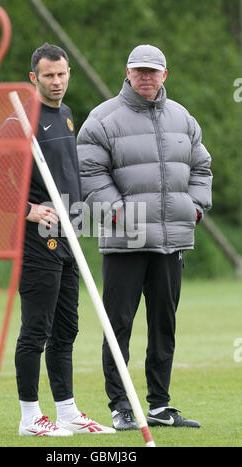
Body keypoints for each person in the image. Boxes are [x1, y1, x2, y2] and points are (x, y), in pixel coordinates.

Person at [77, 44, 212, 430]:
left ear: (164, 75)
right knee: (118, 323)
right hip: (126, 238)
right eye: (140, 70)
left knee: (163, 325)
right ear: (128, 72)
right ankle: (121, 407)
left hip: (171, 240)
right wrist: (118, 213)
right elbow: (89, 172)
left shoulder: (183, 118)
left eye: (154, 71)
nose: (147, 77)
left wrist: (196, 207)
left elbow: (202, 167)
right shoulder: (102, 119)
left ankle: (160, 405)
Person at [0, 43, 115, 437]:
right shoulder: (18, 120)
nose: (57, 81)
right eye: (48, 75)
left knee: (67, 329)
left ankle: (66, 411)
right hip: (36, 242)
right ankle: (30, 417)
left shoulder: (65, 115)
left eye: (62, 74)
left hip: (68, 238)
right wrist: (29, 210)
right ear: (34, 77)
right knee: (36, 329)